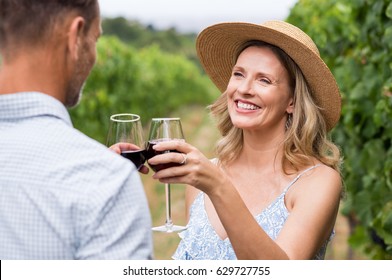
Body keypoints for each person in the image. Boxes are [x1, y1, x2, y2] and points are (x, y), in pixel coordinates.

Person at [147, 20, 343, 260]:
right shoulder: (200, 183)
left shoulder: (317, 182)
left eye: (264, 80)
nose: (245, 89)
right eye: (239, 74)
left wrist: (219, 187)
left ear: (292, 101)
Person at [0, 0, 153, 259]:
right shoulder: (107, 184)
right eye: (95, 39)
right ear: (75, 36)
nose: (93, 54)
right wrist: (99, 171)